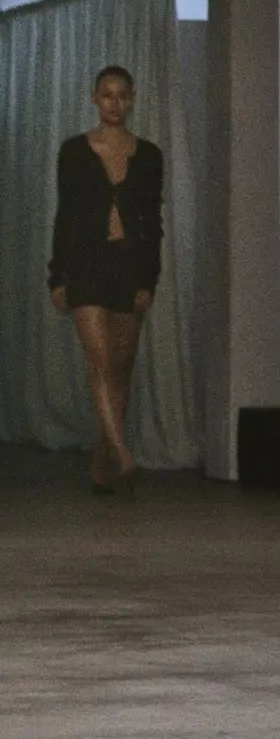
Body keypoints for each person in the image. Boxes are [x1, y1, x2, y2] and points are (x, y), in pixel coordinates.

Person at [47, 65, 166, 498]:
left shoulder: (149, 155)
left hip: (128, 265)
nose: (114, 103)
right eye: (107, 94)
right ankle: (123, 454)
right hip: (84, 264)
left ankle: (101, 461)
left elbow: (153, 220)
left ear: (133, 99)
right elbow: (66, 215)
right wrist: (57, 274)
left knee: (121, 368)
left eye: (122, 95)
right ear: (93, 98)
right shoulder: (74, 151)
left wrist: (148, 277)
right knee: (99, 362)